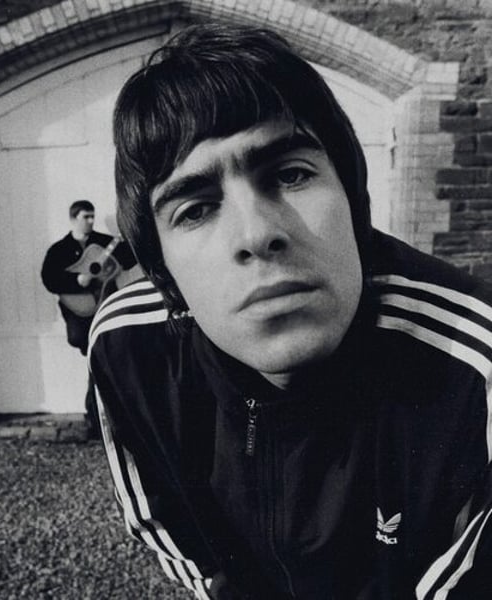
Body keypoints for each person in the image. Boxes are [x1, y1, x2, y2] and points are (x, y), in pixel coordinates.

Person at [88, 24, 492, 599]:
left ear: (353, 198)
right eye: (195, 209)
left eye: (291, 174)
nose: (256, 234)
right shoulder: (128, 347)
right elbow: (169, 529)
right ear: (163, 273)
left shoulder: (474, 368)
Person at [42, 199, 135, 433]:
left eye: (93, 216)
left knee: (101, 357)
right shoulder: (59, 250)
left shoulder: (104, 242)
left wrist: (130, 238)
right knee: (84, 344)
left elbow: (129, 259)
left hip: (103, 307)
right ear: (73, 219)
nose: (91, 221)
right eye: (86, 217)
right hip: (78, 312)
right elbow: (49, 279)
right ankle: (100, 416)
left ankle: (99, 418)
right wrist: (76, 280)